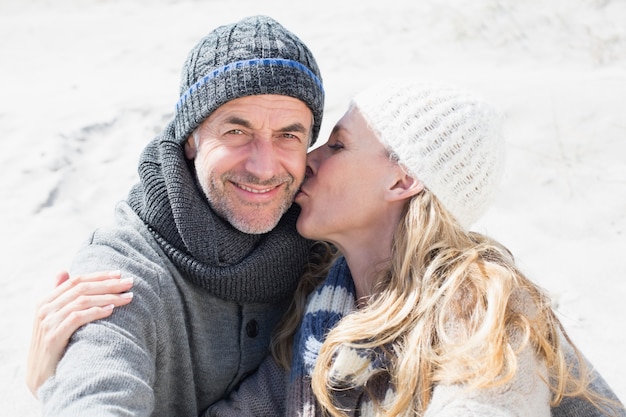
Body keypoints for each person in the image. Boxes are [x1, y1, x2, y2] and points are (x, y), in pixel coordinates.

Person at [30, 82, 626, 417]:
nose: (306, 160)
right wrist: (53, 387)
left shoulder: (477, 312)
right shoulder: (326, 314)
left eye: (336, 145)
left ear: (401, 181)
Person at [28, 14, 325, 416]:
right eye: (236, 132)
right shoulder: (118, 272)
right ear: (190, 137)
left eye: (288, 136)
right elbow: (96, 389)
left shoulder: (327, 249)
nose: (264, 166)